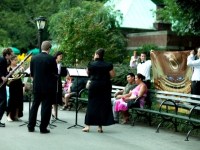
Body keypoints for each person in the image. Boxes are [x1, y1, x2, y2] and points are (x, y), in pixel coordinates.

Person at [27, 41, 58, 134]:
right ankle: (43, 128)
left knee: (34, 106)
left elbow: (31, 74)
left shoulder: (34, 58)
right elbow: (55, 73)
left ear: (41, 47)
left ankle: (31, 126)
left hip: (37, 86)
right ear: (49, 49)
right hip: (48, 87)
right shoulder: (51, 59)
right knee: (46, 107)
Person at [82, 48, 115, 133]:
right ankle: (100, 127)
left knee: (91, 104)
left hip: (94, 85)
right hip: (105, 86)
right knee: (102, 105)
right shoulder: (108, 64)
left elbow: (88, 74)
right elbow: (112, 75)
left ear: (97, 54)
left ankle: (87, 126)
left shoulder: (91, 64)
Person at [7, 55, 24, 122]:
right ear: (11, 60)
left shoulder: (19, 67)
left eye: (17, 60)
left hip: (19, 84)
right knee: (12, 100)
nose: (16, 61)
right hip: (12, 85)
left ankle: (16, 116)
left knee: (19, 100)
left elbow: (22, 75)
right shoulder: (8, 68)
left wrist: (22, 70)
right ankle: (9, 115)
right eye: (15, 60)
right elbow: (8, 77)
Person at [0, 48, 13, 127]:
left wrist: (9, 73)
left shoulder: (4, 61)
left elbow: (4, 71)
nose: (11, 56)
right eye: (10, 55)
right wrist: (2, 77)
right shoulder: (2, 60)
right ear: (7, 55)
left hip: (2, 83)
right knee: (3, 102)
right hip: (1, 83)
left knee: (2, 102)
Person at [52, 51, 63, 118]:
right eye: (60, 56)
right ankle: (53, 111)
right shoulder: (52, 62)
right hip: (53, 81)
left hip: (58, 81)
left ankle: (55, 113)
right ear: (57, 56)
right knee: (53, 96)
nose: (61, 58)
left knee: (57, 97)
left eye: (62, 56)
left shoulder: (59, 64)